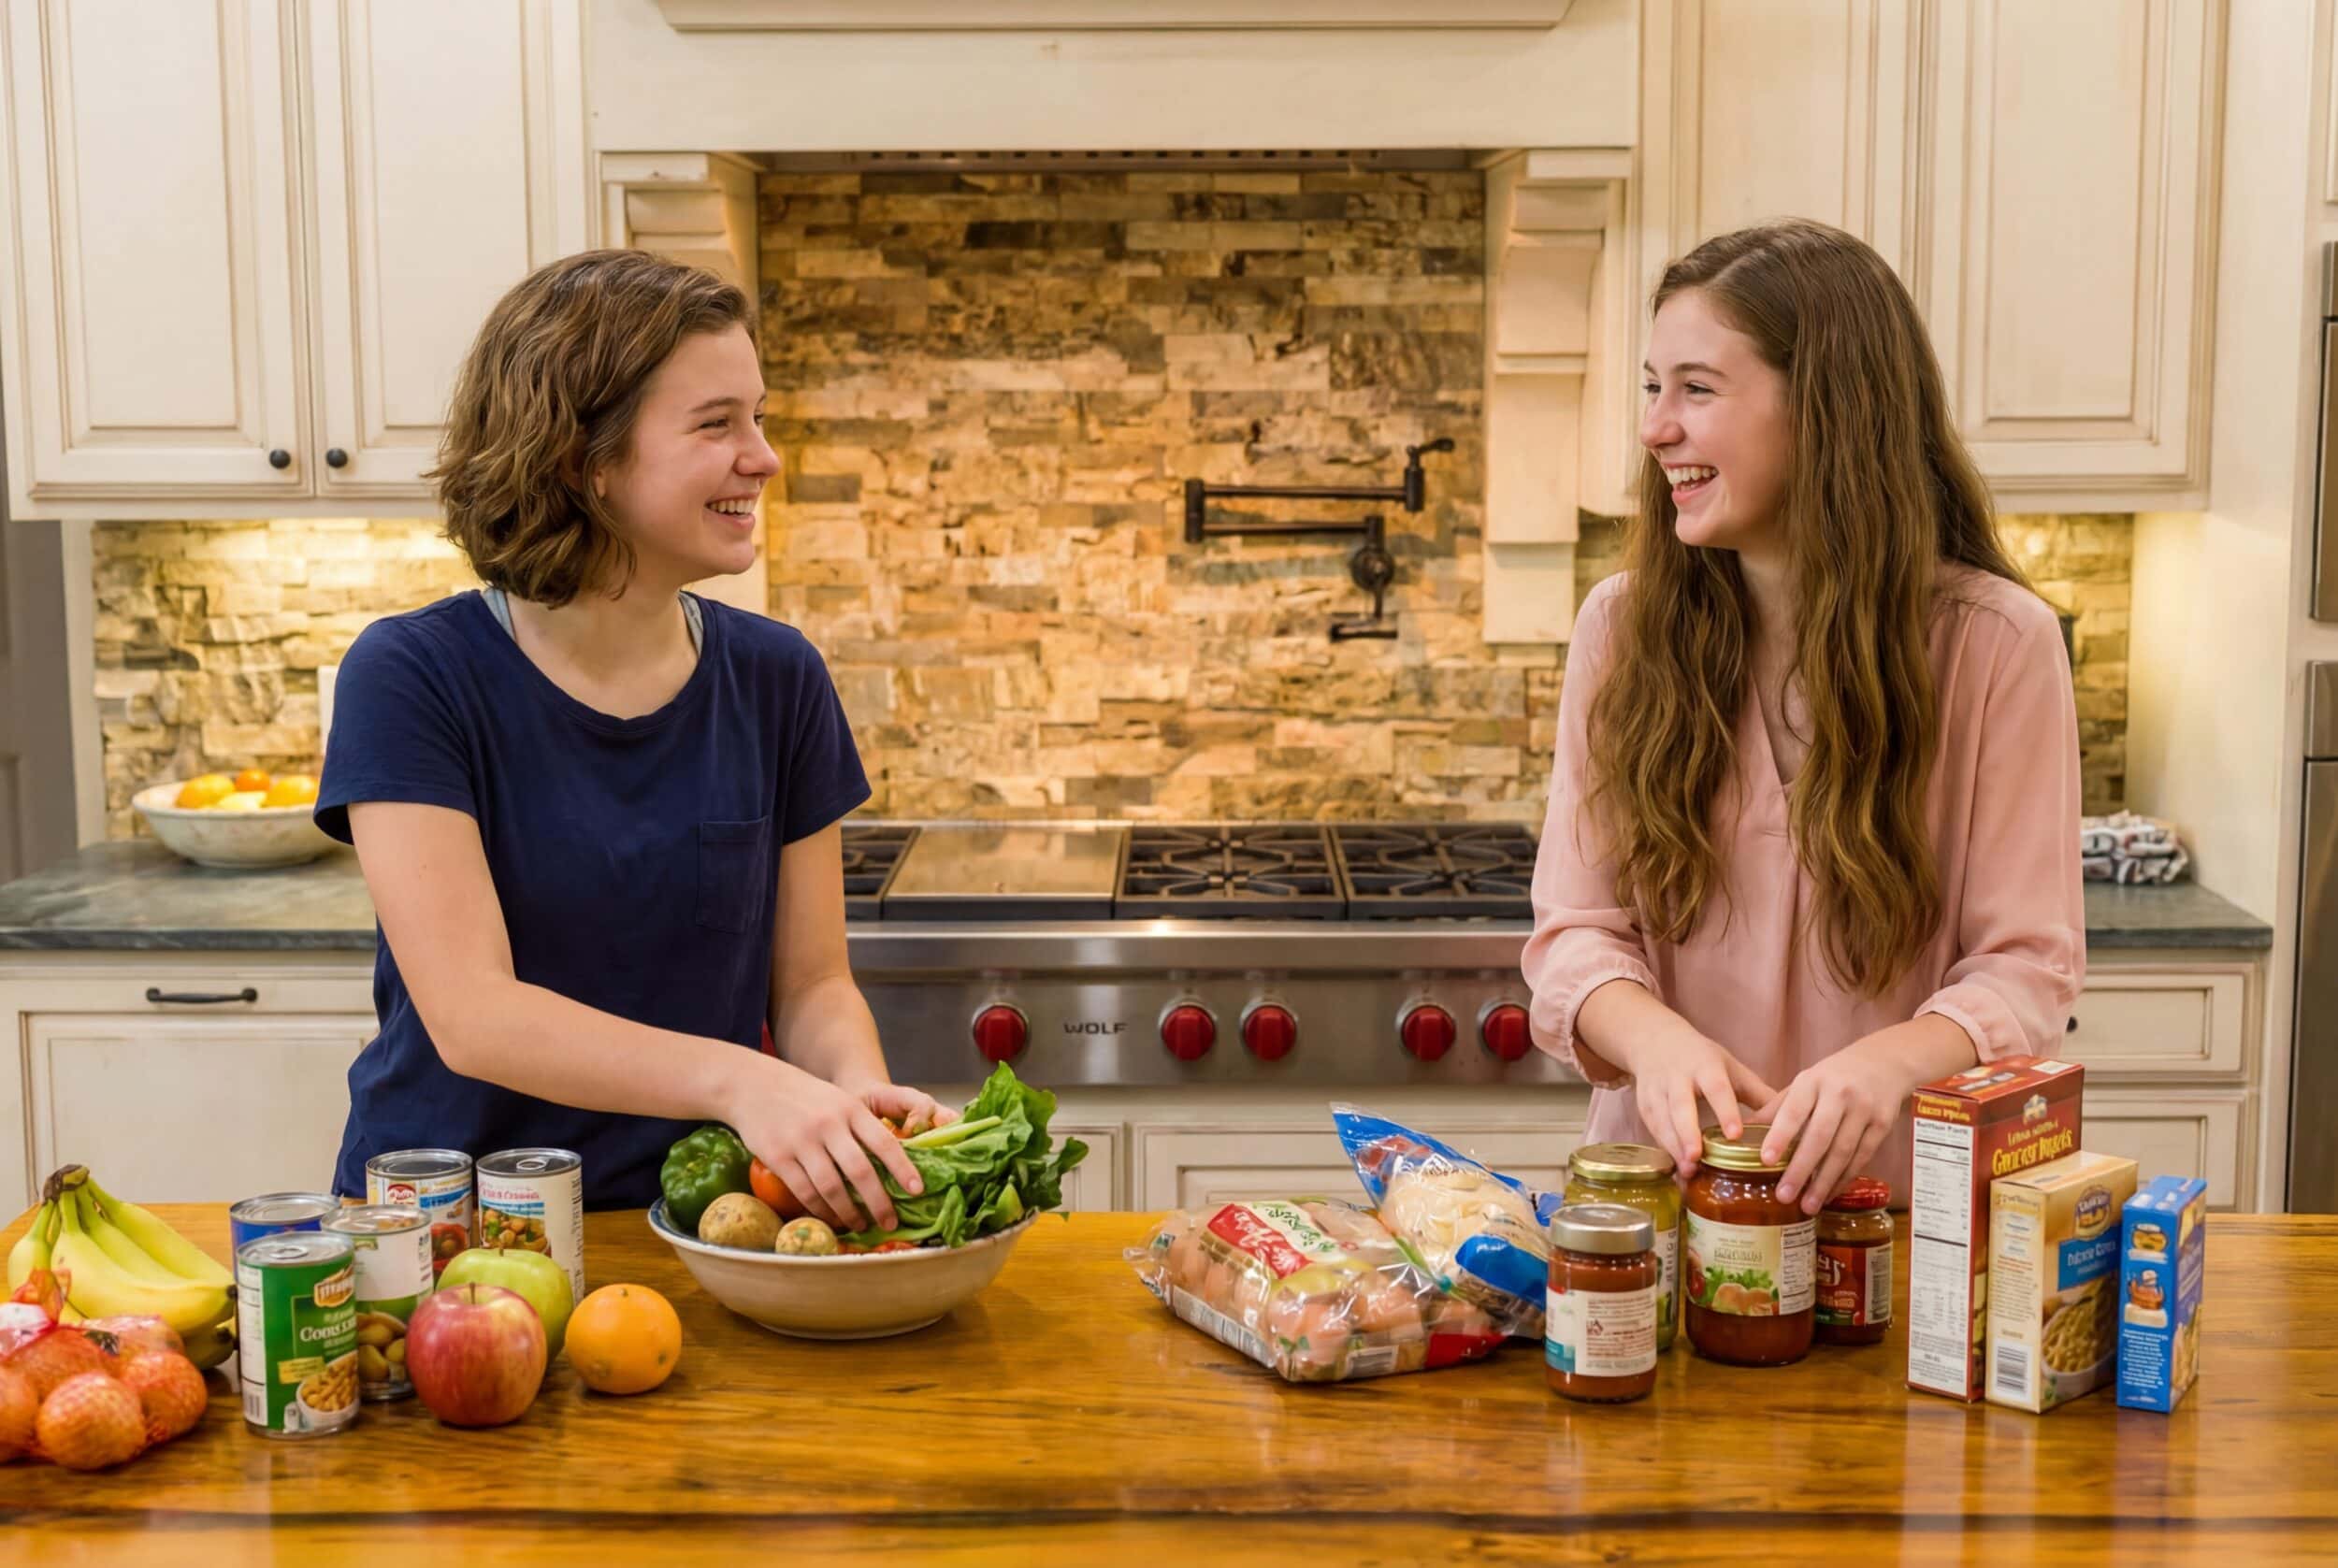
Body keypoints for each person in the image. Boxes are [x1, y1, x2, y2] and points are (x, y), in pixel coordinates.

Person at [317, 250, 946, 1226]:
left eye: (759, 416)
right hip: (450, 1228)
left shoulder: (779, 679)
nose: (764, 457)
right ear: (584, 460)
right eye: (715, 424)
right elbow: (474, 1016)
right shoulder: (413, 676)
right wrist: (745, 1084)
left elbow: (814, 982)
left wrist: (850, 1101)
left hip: (706, 1219)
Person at [1523, 220, 2084, 1214]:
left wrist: (1887, 1065)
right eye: (1652, 389)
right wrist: (1654, 1040)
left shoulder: (1995, 645)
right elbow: (1577, 934)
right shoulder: (1621, 627)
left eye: (1696, 389)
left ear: (1828, 408)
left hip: (1896, 1219)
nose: (1656, 427)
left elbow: (2026, 971)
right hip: (1666, 1206)